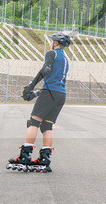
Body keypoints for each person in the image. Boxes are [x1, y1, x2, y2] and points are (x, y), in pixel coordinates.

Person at [8, 32, 72, 172]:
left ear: (56, 43)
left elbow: (46, 70)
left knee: (34, 122)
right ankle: (45, 159)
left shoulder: (52, 53)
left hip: (50, 91)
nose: (50, 43)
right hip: (60, 94)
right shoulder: (66, 60)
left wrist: (30, 87)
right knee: (47, 126)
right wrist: (38, 93)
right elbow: (56, 79)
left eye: (51, 41)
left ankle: (24, 157)